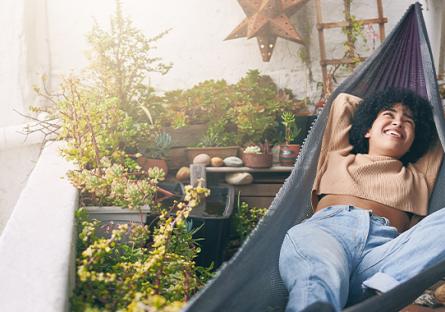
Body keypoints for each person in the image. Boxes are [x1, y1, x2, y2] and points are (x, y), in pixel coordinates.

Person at [279, 89, 445, 312]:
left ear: (416, 140)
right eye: (389, 115)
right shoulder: (340, 156)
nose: (397, 123)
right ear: (367, 129)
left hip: (382, 257)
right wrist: (385, 108)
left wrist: (413, 111)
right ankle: (317, 306)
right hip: (328, 233)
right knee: (319, 274)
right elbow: (343, 103)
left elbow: (438, 125)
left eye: (409, 122)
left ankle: (385, 289)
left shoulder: (419, 175)